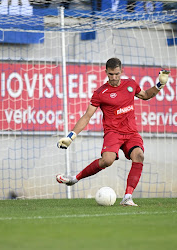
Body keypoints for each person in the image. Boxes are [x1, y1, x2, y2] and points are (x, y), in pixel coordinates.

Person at [56, 57, 170, 206]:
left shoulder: (130, 84)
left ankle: (127, 197)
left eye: (117, 74)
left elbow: (146, 95)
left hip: (131, 133)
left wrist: (160, 84)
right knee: (107, 161)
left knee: (139, 156)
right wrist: (71, 136)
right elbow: (87, 116)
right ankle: (75, 179)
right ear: (106, 72)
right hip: (113, 133)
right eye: (111, 74)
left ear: (121, 71)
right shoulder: (100, 93)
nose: (114, 78)